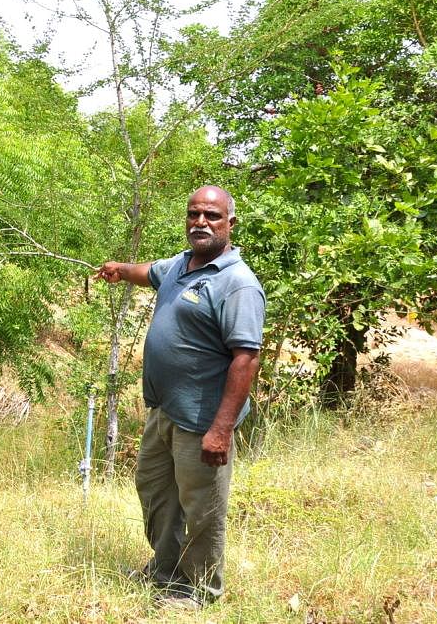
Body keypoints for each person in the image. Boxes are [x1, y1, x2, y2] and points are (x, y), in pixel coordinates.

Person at [95, 185, 264, 609]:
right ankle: (166, 571)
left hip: (202, 420)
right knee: (156, 492)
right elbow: (149, 271)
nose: (200, 223)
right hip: (164, 409)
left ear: (230, 223)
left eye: (211, 215)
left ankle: (202, 591)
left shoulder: (238, 283)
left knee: (202, 509)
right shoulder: (181, 265)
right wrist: (120, 269)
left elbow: (246, 358)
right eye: (194, 214)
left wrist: (221, 430)